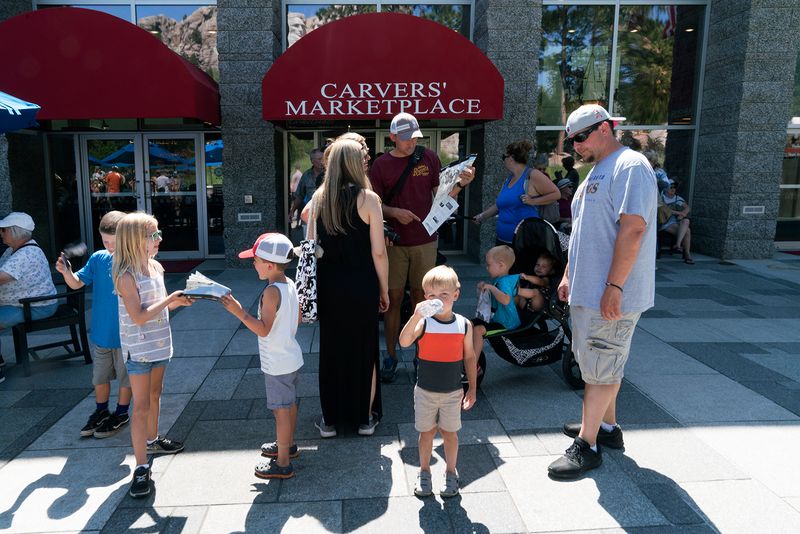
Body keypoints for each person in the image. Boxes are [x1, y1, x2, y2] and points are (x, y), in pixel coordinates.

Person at [548, 104, 657, 479]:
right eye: (572, 140)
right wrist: (567, 275)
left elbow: (634, 229)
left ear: (606, 128)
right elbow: (582, 234)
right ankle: (606, 429)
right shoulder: (597, 171)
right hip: (588, 289)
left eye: (581, 137)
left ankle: (587, 445)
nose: (576, 146)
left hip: (609, 293)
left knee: (599, 367)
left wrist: (614, 286)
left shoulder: (631, 166)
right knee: (602, 362)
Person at [370, 112, 475, 383]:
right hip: (394, 242)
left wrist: (461, 184)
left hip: (426, 239)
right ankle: (391, 356)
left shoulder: (428, 157)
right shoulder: (380, 165)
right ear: (392, 137)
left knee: (424, 299)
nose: (411, 143)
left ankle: (421, 354)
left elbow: (443, 195)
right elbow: (373, 204)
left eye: (415, 137)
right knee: (391, 301)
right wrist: (394, 211)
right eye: (405, 139)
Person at [305, 139, 389, 438]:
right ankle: (365, 419)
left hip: (329, 284)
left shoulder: (319, 198)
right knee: (365, 349)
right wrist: (385, 290)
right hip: (362, 283)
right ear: (355, 164)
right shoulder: (369, 199)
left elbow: (309, 236)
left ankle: (329, 420)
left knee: (331, 349)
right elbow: (379, 252)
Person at [113, 212, 193, 498]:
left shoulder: (155, 267)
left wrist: (179, 302)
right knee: (141, 406)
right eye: (154, 235)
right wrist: (172, 299)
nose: (160, 239)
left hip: (160, 345)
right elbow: (138, 316)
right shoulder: (125, 276)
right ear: (136, 240)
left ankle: (153, 440)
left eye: (159, 233)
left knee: (156, 395)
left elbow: (159, 307)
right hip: (139, 351)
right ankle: (141, 467)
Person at [221, 233, 303, 479]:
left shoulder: (270, 293)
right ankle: (287, 445)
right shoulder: (289, 284)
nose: (253, 264)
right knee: (290, 406)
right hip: (291, 356)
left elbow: (264, 330)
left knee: (280, 411)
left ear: (269, 265)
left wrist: (239, 312)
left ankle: (283, 462)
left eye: (255, 260)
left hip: (277, 363)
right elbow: (297, 318)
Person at [398, 265, 476, 498]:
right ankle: (424, 472)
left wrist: (471, 387)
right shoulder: (424, 323)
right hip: (425, 391)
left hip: (453, 392)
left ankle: (450, 472)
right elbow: (403, 342)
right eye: (432, 296)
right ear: (425, 298)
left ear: (456, 294)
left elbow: (469, 356)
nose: (439, 300)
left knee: (450, 434)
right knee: (426, 433)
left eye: (444, 295)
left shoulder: (463, 325)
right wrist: (416, 315)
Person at [56, 210, 132, 438]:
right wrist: (66, 273)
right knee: (99, 378)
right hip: (101, 334)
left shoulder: (134, 261)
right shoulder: (99, 259)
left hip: (126, 336)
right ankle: (101, 410)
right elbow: (77, 283)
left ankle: (121, 413)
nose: (108, 245)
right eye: (104, 241)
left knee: (125, 378)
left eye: (113, 242)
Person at [0, 213, 58, 384]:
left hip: (34, 306)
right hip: (21, 303)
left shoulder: (24, 254)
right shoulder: (14, 250)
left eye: (4, 230)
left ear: (15, 232)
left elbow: (2, 277)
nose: (0, 233)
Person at [473, 140, 560, 245]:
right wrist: (482, 216)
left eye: (504, 157)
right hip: (503, 241)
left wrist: (533, 201)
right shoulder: (509, 179)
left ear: (511, 158)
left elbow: (556, 194)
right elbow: (499, 205)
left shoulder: (532, 175)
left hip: (524, 243)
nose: (503, 160)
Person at [471, 245, 521, 359]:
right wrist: (483, 288)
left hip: (506, 323)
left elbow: (506, 300)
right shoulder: (499, 279)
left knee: (478, 331)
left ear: (501, 265)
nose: (486, 268)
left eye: (489, 265)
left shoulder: (505, 282)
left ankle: (473, 361)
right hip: (496, 318)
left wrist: (491, 288)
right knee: (468, 324)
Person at [289, 148, 325, 229]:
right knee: (309, 240)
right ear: (312, 161)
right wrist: (292, 211)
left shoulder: (330, 174)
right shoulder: (306, 175)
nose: (322, 161)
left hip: (326, 216)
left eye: (323, 158)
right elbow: (299, 196)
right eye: (319, 159)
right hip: (310, 215)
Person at [659, 180, 694, 264]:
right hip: (665, 222)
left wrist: (683, 214)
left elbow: (687, 208)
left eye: (674, 187)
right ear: (666, 188)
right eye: (671, 187)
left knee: (686, 221)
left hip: (676, 221)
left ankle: (678, 244)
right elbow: (667, 210)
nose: (673, 189)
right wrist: (679, 213)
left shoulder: (678, 198)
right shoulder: (661, 197)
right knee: (687, 231)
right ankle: (687, 254)